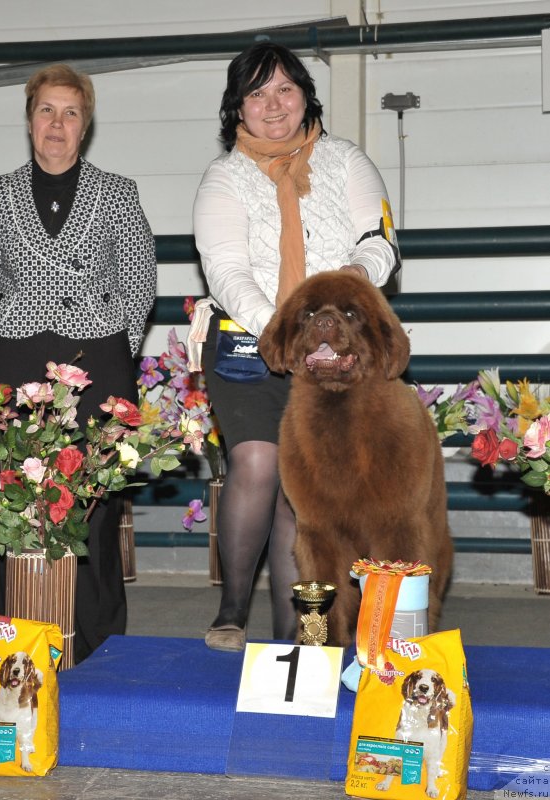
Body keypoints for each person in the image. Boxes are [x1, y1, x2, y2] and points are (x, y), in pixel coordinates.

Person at [192, 43, 401, 652]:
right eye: (256, 93)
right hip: (249, 345)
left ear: (307, 94)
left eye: (284, 88)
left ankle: (295, 637)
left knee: (300, 494)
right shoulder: (223, 178)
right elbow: (227, 273)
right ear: (238, 109)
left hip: (342, 353)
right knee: (257, 463)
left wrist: (345, 297)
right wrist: (286, 331)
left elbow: (379, 239)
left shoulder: (346, 160)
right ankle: (232, 609)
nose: (273, 104)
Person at [0, 64, 157, 663]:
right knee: (12, 497)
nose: (57, 123)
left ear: (86, 124)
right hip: (15, 357)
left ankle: (98, 643)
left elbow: (140, 281)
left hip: (97, 360)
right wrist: (11, 322)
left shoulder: (119, 192)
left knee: (93, 508)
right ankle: (18, 635)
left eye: (70, 112)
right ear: (29, 121)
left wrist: (112, 348)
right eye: (46, 110)